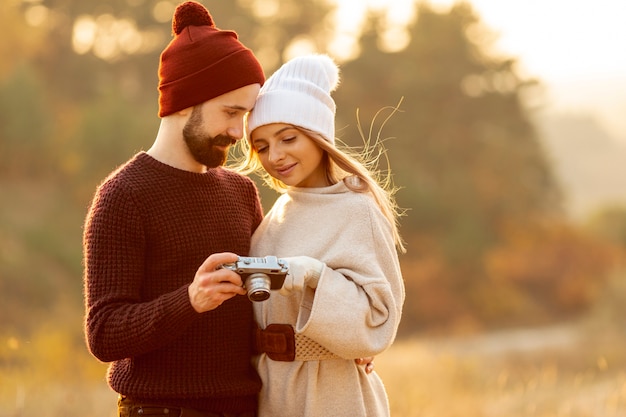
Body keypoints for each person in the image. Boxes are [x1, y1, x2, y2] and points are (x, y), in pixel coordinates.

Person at [82, 2, 266, 416]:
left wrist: (340, 349)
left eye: (246, 115)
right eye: (230, 112)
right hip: (161, 410)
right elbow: (104, 333)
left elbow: (265, 309)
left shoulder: (242, 192)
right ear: (185, 101)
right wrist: (190, 300)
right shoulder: (123, 195)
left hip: (246, 408)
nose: (239, 132)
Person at [240, 54, 406, 417]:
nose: (276, 156)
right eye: (263, 146)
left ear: (318, 135)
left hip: (333, 395)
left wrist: (313, 275)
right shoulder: (276, 215)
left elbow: (378, 321)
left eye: (288, 138)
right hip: (270, 393)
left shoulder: (357, 209)